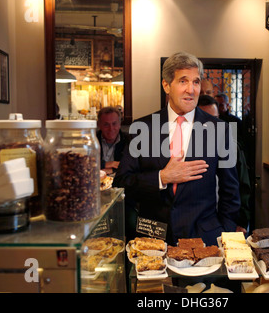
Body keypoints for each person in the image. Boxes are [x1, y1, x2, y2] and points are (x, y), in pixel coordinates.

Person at [114, 51, 241, 246]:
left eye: (196, 82)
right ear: (166, 85)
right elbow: (121, 185)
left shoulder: (220, 130)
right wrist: (162, 177)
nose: (191, 89)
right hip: (153, 242)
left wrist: (224, 234)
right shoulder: (143, 129)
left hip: (204, 241)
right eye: (183, 81)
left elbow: (231, 192)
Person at [198, 95, 251, 234]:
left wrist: (241, 222)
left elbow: (243, 187)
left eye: (216, 119)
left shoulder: (232, 147)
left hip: (228, 222)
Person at [96, 106, 130, 174]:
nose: (111, 129)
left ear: (120, 124)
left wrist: (113, 170)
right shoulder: (91, 141)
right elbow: (84, 163)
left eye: (114, 124)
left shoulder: (129, 140)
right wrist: (107, 164)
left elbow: (131, 166)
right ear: (99, 125)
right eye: (106, 125)